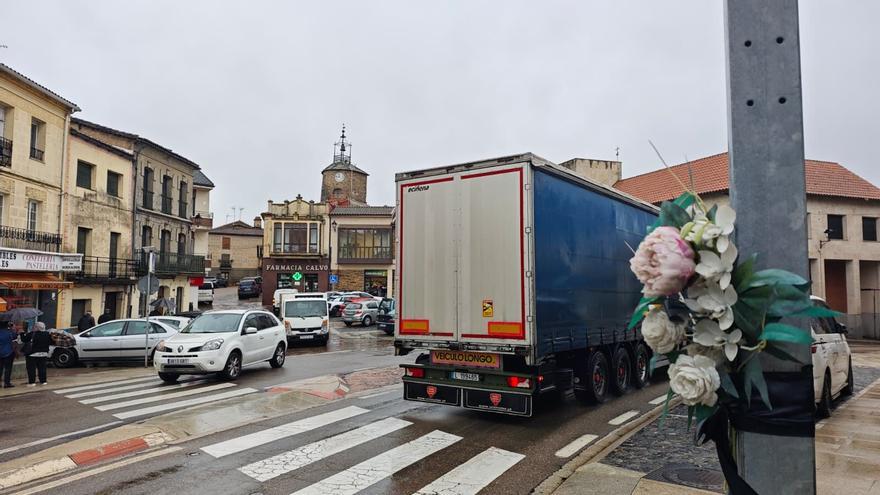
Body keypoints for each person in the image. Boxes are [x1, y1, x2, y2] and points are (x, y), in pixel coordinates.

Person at [20, 322, 51, 386]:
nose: (33, 328)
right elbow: (50, 342)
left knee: (31, 368)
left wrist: (22, 333)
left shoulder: (32, 334)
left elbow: (24, 340)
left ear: (37, 327)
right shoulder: (47, 334)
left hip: (33, 354)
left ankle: (32, 382)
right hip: (44, 354)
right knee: (42, 368)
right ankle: (43, 381)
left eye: (34, 327)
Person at [0, 322, 16, 388]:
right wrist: (13, 328)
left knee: (0, 368)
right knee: (8, 368)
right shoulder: (10, 332)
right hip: (9, 352)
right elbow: (15, 336)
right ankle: (7, 383)